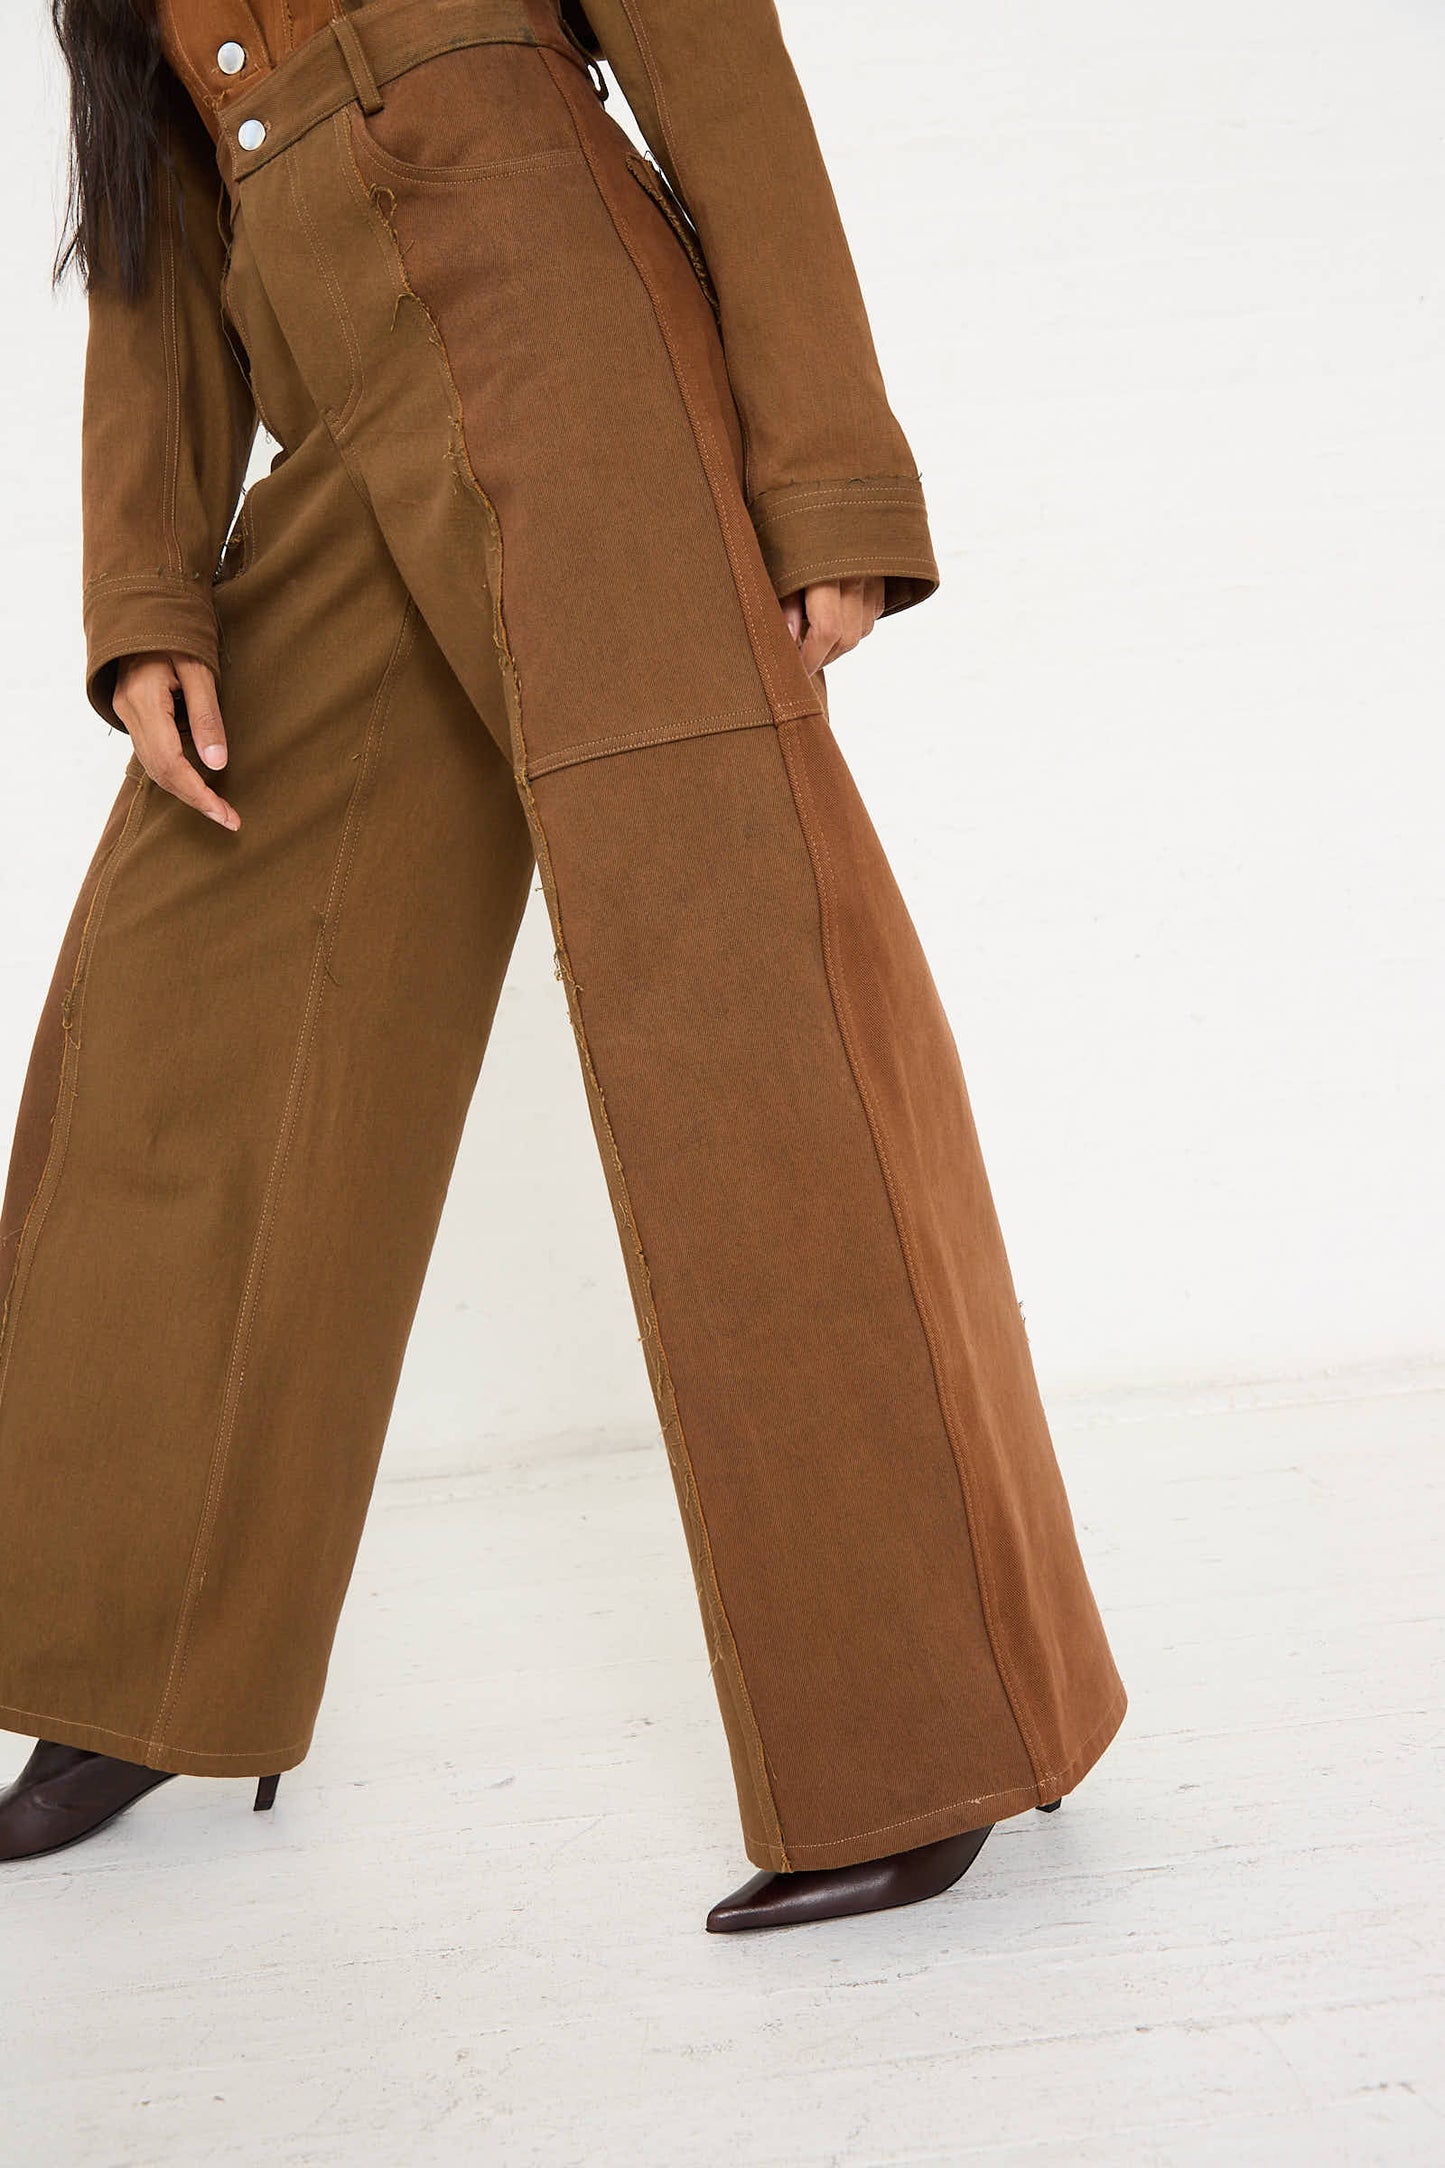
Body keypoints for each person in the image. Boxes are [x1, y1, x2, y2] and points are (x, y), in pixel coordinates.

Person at [0, 0, 1126, 1930]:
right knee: (195, 997)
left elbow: (714, 62)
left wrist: (827, 472)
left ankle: (930, 1733)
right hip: (332, 398)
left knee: (734, 1012)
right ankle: (147, 1661)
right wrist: (146, 581)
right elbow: (153, 205)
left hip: (572, 333)